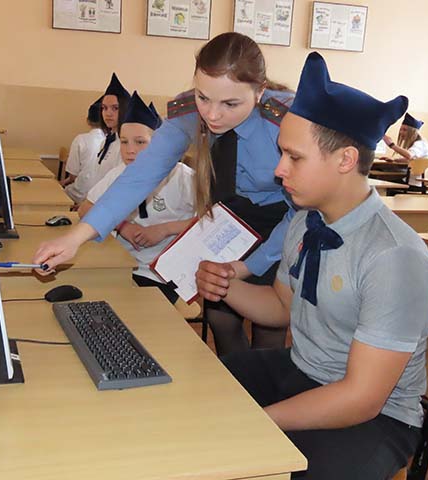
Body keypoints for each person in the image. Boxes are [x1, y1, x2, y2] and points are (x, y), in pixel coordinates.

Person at [195, 52, 428, 479]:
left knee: (277, 466)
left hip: (375, 415)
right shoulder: (306, 221)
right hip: (305, 368)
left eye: (294, 157)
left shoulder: (393, 257)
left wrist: (262, 420)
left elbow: (361, 398)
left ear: (345, 160)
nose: (278, 170)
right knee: (204, 393)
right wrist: (226, 285)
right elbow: (281, 307)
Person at [34, 32, 295, 356]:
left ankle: (261, 385)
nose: (212, 114)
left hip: (284, 222)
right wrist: (75, 238)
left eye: (230, 104)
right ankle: (237, 383)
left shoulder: (285, 120)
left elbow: (302, 210)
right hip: (228, 219)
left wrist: (249, 266)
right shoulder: (189, 112)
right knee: (220, 317)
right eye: (203, 97)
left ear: (260, 91)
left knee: (269, 325)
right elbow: (139, 177)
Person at [79, 91, 195, 304]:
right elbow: (85, 208)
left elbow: (211, 220)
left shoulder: (183, 178)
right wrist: (123, 226)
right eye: (124, 142)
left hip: (161, 272)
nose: (130, 150)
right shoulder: (120, 173)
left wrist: (164, 229)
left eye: (140, 142)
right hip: (122, 263)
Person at [65, 73, 131, 205]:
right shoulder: (106, 141)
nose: (108, 113)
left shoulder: (125, 146)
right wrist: (86, 201)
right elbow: (97, 180)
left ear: (125, 109)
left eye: (115, 108)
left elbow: (117, 187)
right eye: (104, 108)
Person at [62, 97, 106, 202]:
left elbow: (73, 176)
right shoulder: (111, 142)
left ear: (88, 121)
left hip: (80, 195)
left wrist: (63, 182)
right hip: (100, 197)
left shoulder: (80, 139)